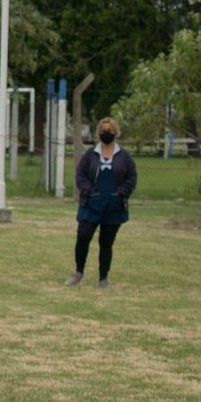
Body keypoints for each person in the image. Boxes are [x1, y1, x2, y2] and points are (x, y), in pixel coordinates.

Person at [66, 117, 137, 289]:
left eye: (110, 130)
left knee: (106, 242)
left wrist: (121, 193)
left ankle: (103, 278)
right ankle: (79, 273)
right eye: (103, 130)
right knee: (83, 236)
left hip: (113, 206)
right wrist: (88, 191)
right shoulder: (90, 154)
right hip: (91, 204)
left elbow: (131, 177)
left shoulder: (124, 156)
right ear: (98, 132)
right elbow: (80, 174)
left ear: (116, 133)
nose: (106, 133)